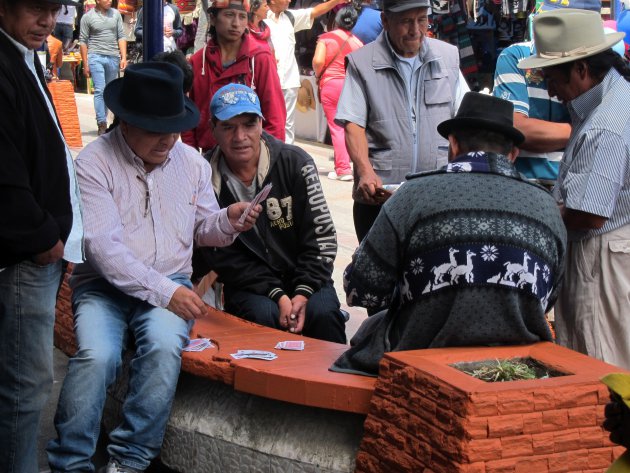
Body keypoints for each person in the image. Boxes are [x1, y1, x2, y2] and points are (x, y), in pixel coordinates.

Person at [46, 63, 259, 473]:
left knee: (164, 348)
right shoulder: (93, 163)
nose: (168, 140)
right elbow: (103, 250)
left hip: (171, 280)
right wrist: (167, 293)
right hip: (105, 288)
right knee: (97, 355)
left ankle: (130, 459)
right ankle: (70, 462)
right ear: (126, 123)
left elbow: (202, 228)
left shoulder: (192, 164)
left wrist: (228, 221)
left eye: (174, 129)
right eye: (155, 130)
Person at [330, 92, 567, 376]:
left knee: (369, 330)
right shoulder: (547, 207)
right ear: (513, 154)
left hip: (420, 361)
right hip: (520, 369)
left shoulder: (412, 195)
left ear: (453, 145)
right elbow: (549, 296)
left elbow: (362, 291)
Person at [518, 9, 630, 368]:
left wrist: (535, 210)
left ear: (581, 70)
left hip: (600, 254)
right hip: (609, 249)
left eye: (553, 78)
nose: (549, 89)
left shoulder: (605, 124)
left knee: (597, 362)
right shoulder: (615, 98)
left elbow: (589, 213)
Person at [0, 0, 84, 469]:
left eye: (53, 9)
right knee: (25, 384)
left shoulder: (24, 56)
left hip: (40, 249)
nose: (47, 21)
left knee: (23, 382)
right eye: (36, 8)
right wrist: (42, 238)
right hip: (26, 256)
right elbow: (6, 175)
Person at [197, 83, 347, 344]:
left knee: (323, 315)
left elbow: (321, 238)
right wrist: (277, 294)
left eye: (249, 124)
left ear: (262, 125)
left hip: (306, 276)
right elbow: (220, 255)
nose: (240, 136)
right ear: (213, 130)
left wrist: (301, 292)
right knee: (262, 318)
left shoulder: (296, 162)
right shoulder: (203, 175)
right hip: (247, 284)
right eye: (228, 127)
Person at [335, 0, 469, 242]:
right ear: (385, 21)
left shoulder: (447, 59)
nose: (415, 30)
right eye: (406, 21)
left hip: (435, 198)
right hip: (380, 200)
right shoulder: (362, 63)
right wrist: (365, 171)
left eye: (422, 19)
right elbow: (353, 125)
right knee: (379, 275)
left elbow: (464, 121)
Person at [491, 0, 605, 187]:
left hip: (581, 190)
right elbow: (515, 129)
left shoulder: (605, 70)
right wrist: (588, 131)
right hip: (525, 188)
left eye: (559, 25)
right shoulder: (516, 57)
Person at [182, 0, 286, 153]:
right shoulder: (198, 62)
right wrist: (191, 158)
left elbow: (275, 117)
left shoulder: (260, 58)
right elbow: (189, 119)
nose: (236, 23)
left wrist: (268, 159)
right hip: (209, 158)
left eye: (242, 17)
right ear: (213, 18)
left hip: (250, 156)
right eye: (229, 15)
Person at [265, 0, 350, 144]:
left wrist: (336, 1)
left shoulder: (289, 17)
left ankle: (287, 158)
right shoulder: (261, 19)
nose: (290, 1)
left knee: (288, 125)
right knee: (269, 122)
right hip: (269, 82)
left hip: (289, 82)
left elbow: (315, 11)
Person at [312, 6, 362, 181]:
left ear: (337, 20)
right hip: (351, 86)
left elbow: (318, 60)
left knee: (336, 128)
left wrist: (318, 75)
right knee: (350, 126)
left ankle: (343, 169)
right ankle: (351, 166)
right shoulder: (358, 43)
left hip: (331, 84)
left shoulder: (326, 38)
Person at [79, 0, 127, 135]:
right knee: (100, 89)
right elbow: (83, 41)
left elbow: (121, 36)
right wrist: (85, 63)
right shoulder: (87, 17)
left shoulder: (116, 14)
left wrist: (123, 57)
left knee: (110, 90)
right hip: (95, 56)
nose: (109, 1)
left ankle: (113, 121)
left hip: (113, 56)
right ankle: (101, 122)